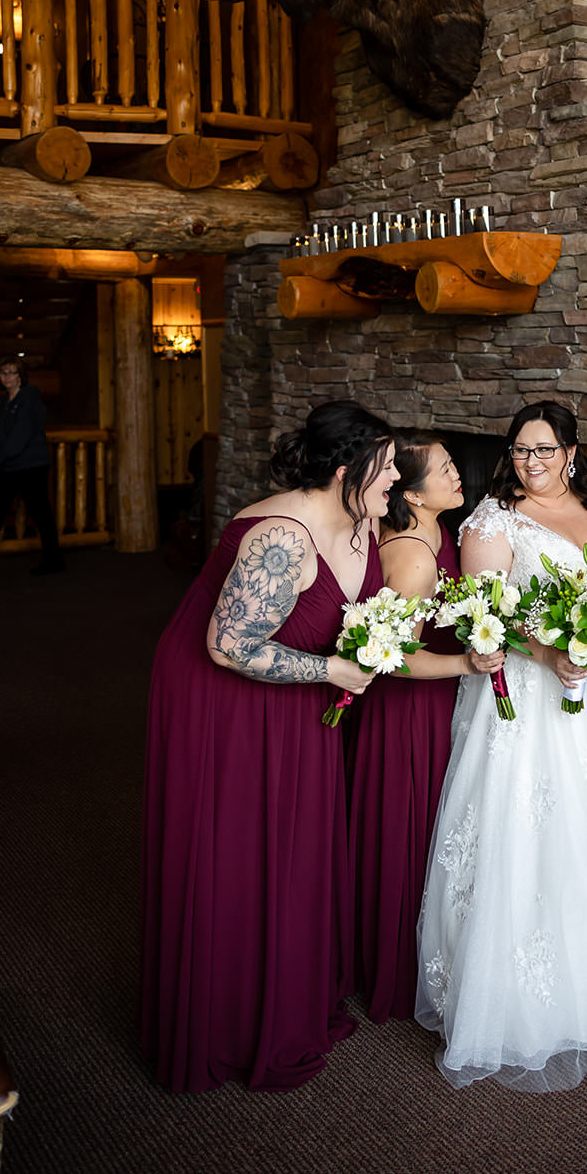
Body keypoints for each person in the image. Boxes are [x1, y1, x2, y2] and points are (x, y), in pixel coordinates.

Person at [416, 401, 587, 1091]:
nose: (530, 463)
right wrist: (546, 650)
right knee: (533, 828)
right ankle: (513, 1007)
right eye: (519, 451)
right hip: (529, 701)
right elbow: (484, 620)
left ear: (571, 453)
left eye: (543, 451)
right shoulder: (490, 522)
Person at [140, 400, 397, 1092]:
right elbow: (228, 647)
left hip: (295, 693)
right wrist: (334, 670)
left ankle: (287, 995)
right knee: (237, 848)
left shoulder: (363, 517)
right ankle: (224, 1023)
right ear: (347, 467)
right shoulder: (280, 537)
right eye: (388, 462)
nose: (396, 475)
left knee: (294, 842)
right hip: (223, 698)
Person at [348, 431, 504, 1022]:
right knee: (411, 827)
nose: (458, 475)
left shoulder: (439, 530)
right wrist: (468, 661)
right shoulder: (413, 554)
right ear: (411, 494)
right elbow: (397, 655)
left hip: (439, 699)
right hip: (408, 708)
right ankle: (395, 967)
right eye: (443, 470)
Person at [0, 359, 64, 576]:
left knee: (40, 515)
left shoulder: (29, 397)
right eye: (3, 372)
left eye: (11, 372)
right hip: (9, 466)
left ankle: (54, 561)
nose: (7, 376)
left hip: (31, 466)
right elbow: (3, 435)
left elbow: (22, 433)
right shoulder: (3, 403)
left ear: (20, 376)